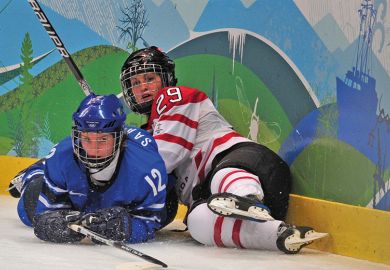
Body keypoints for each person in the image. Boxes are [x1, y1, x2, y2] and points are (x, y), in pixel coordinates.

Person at [119, 46, 327, 254]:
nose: (143, 87)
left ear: (166, 78)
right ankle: (278, 234)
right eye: (135, 83)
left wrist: (121, 179)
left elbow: (167, 156)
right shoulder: (147, 133)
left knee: (222, 175)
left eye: (149, 78)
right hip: (213, 197)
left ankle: (248, 198)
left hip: (252, 168)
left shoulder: (172, 96)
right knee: (198, 222)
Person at [8, 93, 169, 244]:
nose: (93, 150)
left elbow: (151, 223)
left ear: (120, 138)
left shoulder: (146, 167)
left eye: (103, 139)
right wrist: (56, 224)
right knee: (27, 212)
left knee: (169, 208)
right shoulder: (62, 156)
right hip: (76, 195)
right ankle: (34, 172)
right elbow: (43, 215)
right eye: (86, 139)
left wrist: (126, 228)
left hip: (124, 190)